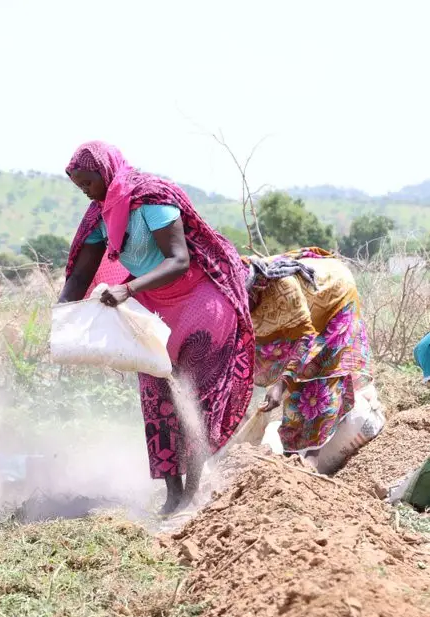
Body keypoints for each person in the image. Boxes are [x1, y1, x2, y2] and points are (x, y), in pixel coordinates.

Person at [59, 141, 255, 514]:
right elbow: (81, 273)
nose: (84, 190)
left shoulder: (149, 199)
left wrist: (128, 287)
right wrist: (62, 316)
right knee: (156, 398)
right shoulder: (102, 214)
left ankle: (194, 491)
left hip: (199, 303)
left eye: (88, 182)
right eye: (78, 185)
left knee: (196, 400)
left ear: (106, 172)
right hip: (152, 309)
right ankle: (172, 494)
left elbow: (179, 260)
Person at [244, 247, 375, 473]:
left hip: (336, 300)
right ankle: (291, 455)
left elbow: (305, 339)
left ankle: (310, 462)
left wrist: (279, 385)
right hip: (309, 310)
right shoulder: (241, 284)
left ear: (254, 291)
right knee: (296, 380)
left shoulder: (283, 289)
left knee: (319, 378)